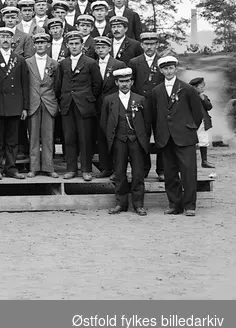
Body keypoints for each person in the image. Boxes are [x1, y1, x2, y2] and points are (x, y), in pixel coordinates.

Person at [144, 54, 205, 216]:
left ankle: (190, 206)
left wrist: (189, 128)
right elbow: (152, 115)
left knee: (188, 173)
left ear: (176, 69)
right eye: (165, 69)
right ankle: (174, 205)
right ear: (161, 71)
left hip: (185, 138)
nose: (169, 71)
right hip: (165, 138)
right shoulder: (156, 91)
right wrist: (157, 134)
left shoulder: (187, 89)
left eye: (171, 68)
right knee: (170, 174)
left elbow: (197, 114)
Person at [100, 66, 150, 216]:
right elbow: (104, 122)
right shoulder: (109, 100)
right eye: (121, 81)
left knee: (138, 174)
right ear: (116, 83)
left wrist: (141, 138)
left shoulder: (140, 99)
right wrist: (113, 137)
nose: (124, 84)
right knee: (120, 173)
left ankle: (138, 204)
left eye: (127, 81)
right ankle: (121, 203)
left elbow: (147, 123)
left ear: (132, 82)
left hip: (136, 141)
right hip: (119, 141)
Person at [56, 30, 103, 181]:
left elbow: (97, 85)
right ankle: (71, 169)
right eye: (71, 44)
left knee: (85, 139)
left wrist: (87, 98)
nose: (74, 46)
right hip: (67, 105)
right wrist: (62, 100)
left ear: (82, 45)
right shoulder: (63, 64)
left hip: (84, 106)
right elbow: (58, 85)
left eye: (77, 44)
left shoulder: (90, 63)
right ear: (67, 46)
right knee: (69, 138)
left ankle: (86, 170)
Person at [0, 26, 28, 180]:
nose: (5, 40)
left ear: (13, 40)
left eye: (8, 37)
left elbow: (25, 84)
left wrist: (24, 107)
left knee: (12, 140)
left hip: (15, 105)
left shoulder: (20, 60)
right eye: (2, 37)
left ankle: (11, 168)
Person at [25, 31, 59, 177]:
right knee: (33, 136)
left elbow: (57, 85)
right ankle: (33, 167)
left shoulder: (54, 63)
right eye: (37, 43)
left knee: (48, 136)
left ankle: (48, 167)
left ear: (48, 44)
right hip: (33, 102)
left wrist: (54, 101)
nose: (40, 45)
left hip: (49, 102)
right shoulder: (27, 62)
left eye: (43, 43)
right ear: (34, 45)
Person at [189, 77, 214, 168]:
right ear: (195, 87)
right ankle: (190, 162)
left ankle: (204, 161)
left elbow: (209, 107)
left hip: (203, 122)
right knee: (190, 142)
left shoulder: (204, 97)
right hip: (192, 122)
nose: (203, 88)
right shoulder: (188, 96)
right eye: (201, 86)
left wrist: (203, 98)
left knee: (203, 141)